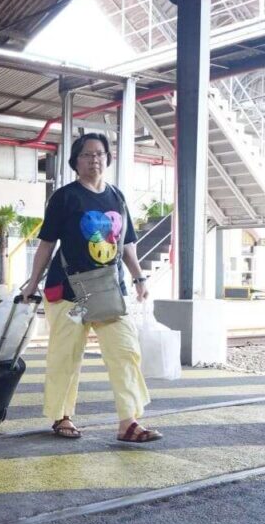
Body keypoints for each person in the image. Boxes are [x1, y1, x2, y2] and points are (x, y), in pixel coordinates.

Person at [22, 133, 162, 442]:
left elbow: (126, 243)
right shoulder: (65, 197)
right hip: (68, 290)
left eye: (99, 154)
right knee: (67, 356)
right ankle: (62, 415)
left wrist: (139, 278)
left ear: (107, 159)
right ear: (75, 161)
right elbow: (47, 244)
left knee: (125, 351)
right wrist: (32, 284)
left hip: (109, 289)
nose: (94, 159)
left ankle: (128, 422)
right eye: (87, 154)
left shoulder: (117, 197)